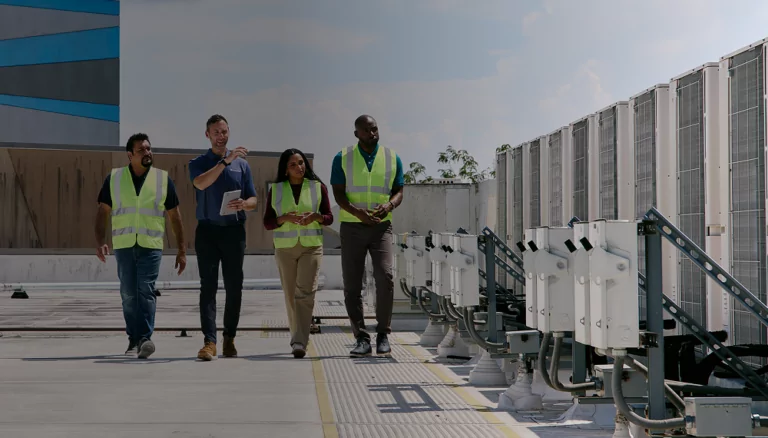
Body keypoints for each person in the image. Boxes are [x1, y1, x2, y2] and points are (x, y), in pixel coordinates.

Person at [94, 133, 187, 359]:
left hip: (151, 245)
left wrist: (181, 249)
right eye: (141, 150)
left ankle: (145, 338)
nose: (147, 153)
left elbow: (175, 216)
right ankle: (133, 339)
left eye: (148, 148)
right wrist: (100, 241)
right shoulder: (114, 179)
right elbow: (103, 211)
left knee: (145, 289)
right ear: (130, 155)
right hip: (124, 245)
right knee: (128, 293)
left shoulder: (162, 179)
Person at [331, 115, 404, 357]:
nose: (372, 133)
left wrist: (390, 206)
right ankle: (361, 338)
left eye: (374, 129)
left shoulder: (392, 158)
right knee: (352, 285)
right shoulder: (342, 158)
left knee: (385, 276)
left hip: (382, 227)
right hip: (352, 227)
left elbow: (399, 190)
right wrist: (357, 212)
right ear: (356, 134)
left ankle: (383, 333)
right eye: (366, 130)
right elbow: (339, 195)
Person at [188, 114, 258, 361]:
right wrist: (225, 161)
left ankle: (229, 337)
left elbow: (254, 198)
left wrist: (245, 205)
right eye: (216, 132)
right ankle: (209, 341)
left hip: (233, 232)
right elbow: (200, 184)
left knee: (234, 287)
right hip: (207, 231)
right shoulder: (198, 162)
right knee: (208, 287)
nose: (221, 136)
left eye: (224, 131)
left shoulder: (243, 166)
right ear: (207, 135)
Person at [263, 148, 333, 358]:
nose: (299, 167)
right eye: (293, 164)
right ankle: (297, 336)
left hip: (311, 246)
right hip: (285, 249)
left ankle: (299, 341)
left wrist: (316, 217)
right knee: (291, 295)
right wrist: (283, 218)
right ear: (285, 169)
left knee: (306, 293)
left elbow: (329, 217)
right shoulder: (276, 190)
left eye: (301, 163)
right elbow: (267, 222)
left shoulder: (318, 187)